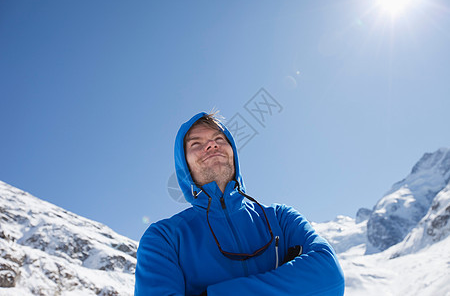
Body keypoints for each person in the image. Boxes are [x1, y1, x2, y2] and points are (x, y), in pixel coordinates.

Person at [135, 111, 345, 295]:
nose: (211, 144)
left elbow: (330, 276)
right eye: (196, 143)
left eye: (219, 138)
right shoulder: (164, 239)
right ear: (184, 166)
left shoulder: (281, 218)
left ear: (233, 152)